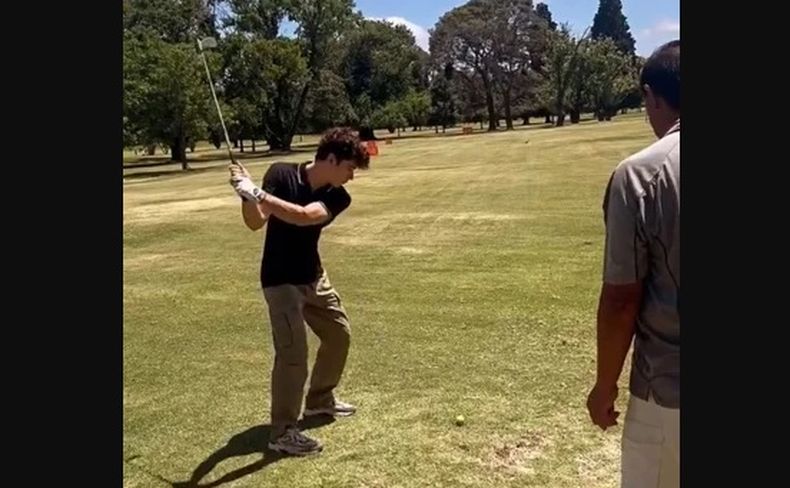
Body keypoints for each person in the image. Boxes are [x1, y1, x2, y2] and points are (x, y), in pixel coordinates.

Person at [229, 127, 370, 456]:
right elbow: (255, 221)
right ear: (331, 159)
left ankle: (320, 401)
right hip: (280, 281)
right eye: (349, 167)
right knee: (293, 355)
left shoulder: (338, 195)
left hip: (314, 277)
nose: (351, 176)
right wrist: (247, 195)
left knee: (339, 335)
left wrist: (258, 194)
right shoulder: (281, 173)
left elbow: (305, 217)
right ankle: (282, 431)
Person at [585, 40, 680, 488]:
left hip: (669, 392)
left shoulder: (641, 174)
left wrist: (605, 386)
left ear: (652, 96)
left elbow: (622, 298)